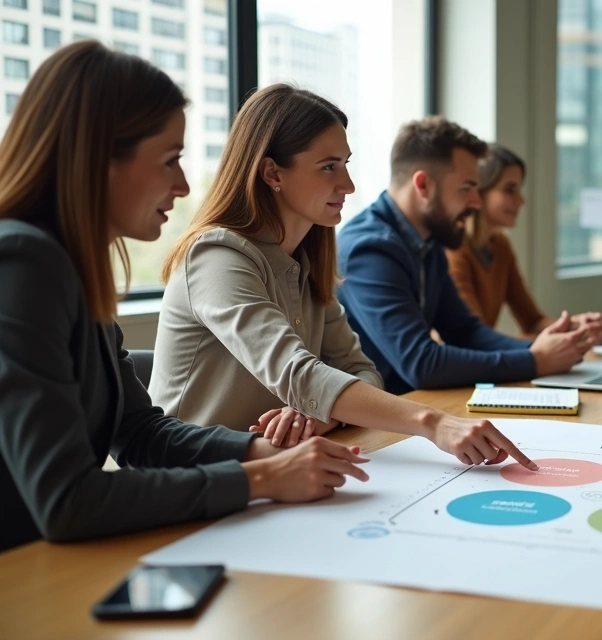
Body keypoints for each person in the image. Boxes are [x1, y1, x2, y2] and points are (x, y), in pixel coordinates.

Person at [0, 42, 371, 553]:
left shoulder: (74, 266)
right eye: (170, 160)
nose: (181, 185)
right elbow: (67, 501)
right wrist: (259, 480)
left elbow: (138, 431)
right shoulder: (22, 263)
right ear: (100, 157)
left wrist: (261, 454)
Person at [152, 85, 537, 472]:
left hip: (276, 469)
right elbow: (300, 375)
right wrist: (434, 423)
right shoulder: (216, 257)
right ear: (272, 172)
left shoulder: (307, 260)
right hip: (196, 478)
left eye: (346, 164)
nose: (348, 185)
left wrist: (322, 414)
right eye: (328, 167)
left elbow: (362, 369)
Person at [337, 117, 594, 394]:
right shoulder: (369, 249)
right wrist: (534, 360)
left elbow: (466, 332)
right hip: (374, 424)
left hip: (414, 407)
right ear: (423, 185)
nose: (475, 201)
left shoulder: (428, 240)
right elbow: (422, 364)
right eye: (467, 187)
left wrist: (551, 348)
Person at [446, 144, 602, 342]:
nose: (521, 200)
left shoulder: (500, 245)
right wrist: (556, 342)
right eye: (509, 189)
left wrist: (576, 328)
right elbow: (475, 339)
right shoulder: (454, 251)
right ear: (479, 192)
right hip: (465, 368)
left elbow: (533, 321)